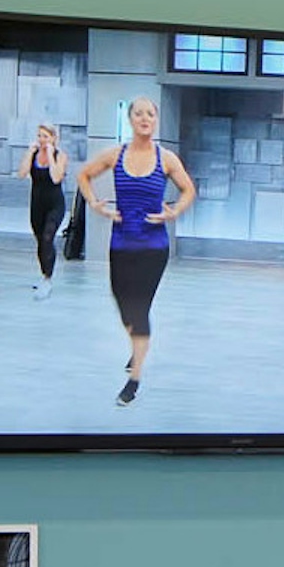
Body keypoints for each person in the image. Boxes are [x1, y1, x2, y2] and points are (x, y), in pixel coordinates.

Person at [76, 96, 195, 407]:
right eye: (139, 113)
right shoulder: (115, 155)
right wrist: (95, 204)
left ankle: (134, 379)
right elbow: (83, 176)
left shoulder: (166, 158)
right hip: (121, 243)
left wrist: (175, 211)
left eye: (150, 114)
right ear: (130, 119)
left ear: (156, 120)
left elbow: (188, 189)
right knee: (122, 302)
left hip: (154, 247)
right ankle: (136, 345)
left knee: (139, 310)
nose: (145, 118)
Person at [23, 124, 66, 298]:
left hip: (55, 204)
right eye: (40, 136)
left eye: (46, 137)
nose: (42, 140)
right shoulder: (33, 154)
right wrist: (28, 153)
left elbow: (56, 178)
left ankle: (48, 279)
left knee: (48, 237)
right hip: (37, 205)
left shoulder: (60, 156)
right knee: (41, 241)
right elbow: (21, 173)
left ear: (53, 139)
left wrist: (50, 154)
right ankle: (44, 274)